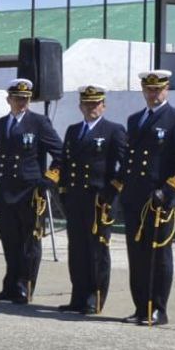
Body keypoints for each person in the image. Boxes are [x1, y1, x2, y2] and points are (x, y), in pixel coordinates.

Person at [116, 69, 175, 325]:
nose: (153, 94)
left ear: (167, 89)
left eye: (157, 89)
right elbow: (129, 160)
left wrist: (168, 190)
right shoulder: (134, 120)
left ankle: (157, 309)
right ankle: (141, 307)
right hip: (135, 199)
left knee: (159, 256)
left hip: (159, 199)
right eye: (148, 89)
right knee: (137, 254)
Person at [51, 85, 128, 315]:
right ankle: (78, 297)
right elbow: (65, 163)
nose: (91, 108)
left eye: (96, 104)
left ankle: (95, 298)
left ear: (103, 106)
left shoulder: (114, 130)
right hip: (75, 199)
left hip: (99, 200)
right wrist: (62, 190)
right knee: (77, 250)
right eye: (87, 104)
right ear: (80, 107)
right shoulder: (73, 131)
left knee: (97, 251)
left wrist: (111, 191)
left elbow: (124, 166)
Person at [0, 78, 64, 305]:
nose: (21, 103)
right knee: (10, 241)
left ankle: (25, 286)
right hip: (6, 190)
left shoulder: (39, 122)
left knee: (29, 243)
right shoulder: (0, 124)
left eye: (25, 99)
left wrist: (49, 179)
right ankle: (10, 286)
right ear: (8, 99)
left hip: (30, 192)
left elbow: (61, 154)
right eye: (17, 99)